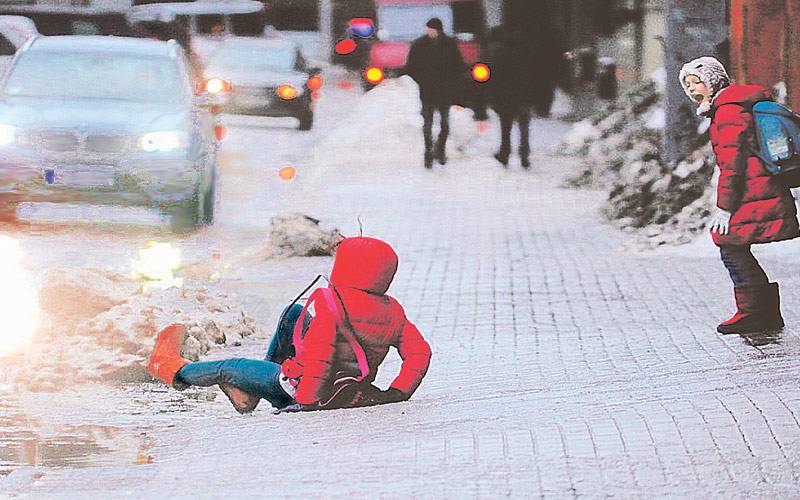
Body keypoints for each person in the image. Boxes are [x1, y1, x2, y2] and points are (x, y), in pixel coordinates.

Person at [147, 236, 432, 413]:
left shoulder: (333, 305)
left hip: (297, 387)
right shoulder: (393, 310)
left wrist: (305, 401)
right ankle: (250, 392)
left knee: (229, 367)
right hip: (346, 386)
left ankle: (172, 369)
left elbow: (322, 358)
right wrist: (398, 392)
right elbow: (420, 353)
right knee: (293, 313)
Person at [679, 56, 799, 334]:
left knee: (730, 246)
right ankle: (763, 313)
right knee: (734, 247)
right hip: (757, 188)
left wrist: (725, 207)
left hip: (752, 191)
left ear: (714, 81)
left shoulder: (729, 111)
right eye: (687, 85)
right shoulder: (731, 106)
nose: (692, 89)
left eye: (697, 82)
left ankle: (754, 313)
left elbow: (732, 166)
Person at [405, 17, 466, 168]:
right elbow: (411, 66)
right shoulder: (419, 44)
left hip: (444, 90)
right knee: (428, 123)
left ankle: (441, 149)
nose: (429, 32)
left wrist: (452, 81)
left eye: (431, 29)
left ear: (438, 30)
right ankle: (428, 151)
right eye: (428, 29)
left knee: (444, 123)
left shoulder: (449, 44)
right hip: (427, 90)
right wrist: (421, 80)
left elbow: (458, 65)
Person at [488, 26, 536, 168]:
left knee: (506, 127)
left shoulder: (501, 52)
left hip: (506, 95)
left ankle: (505, 153)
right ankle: (524, 155)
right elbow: (535, 75)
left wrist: (493, 96)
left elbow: (495, 76)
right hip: (524, 95)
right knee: (524, 126)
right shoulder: (529, 52)